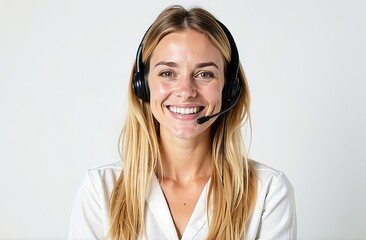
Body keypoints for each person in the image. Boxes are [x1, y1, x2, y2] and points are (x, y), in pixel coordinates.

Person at [68, 5, 296, 240]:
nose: (186, 91)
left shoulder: (268, 192)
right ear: (143, 86)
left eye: (204, 74)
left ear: (229, 89)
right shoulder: (100, 191)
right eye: (167, 73)